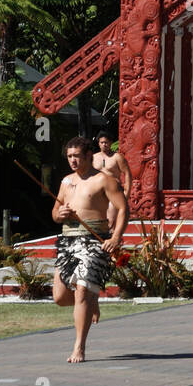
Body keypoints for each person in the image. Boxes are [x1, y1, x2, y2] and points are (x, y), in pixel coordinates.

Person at [52, 136, 127, 363]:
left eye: (76, 156)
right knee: (60, 297)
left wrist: (115, 238)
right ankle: (91, 302)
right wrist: (60, 214)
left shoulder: (104, 181)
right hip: (68, 243)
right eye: (69, 156)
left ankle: (79, 347)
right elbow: (55, 212)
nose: (72, 160)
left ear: (88, 156)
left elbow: (124, 209)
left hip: (94, 242)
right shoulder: (66, 182)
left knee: (82, 291)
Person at [93, 131, 130, 230]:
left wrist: (127, 192)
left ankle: (113, 240)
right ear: (99, 144)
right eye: (102, 142)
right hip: (97, 191)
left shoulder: (117, 157)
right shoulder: (93, 158)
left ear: (110, 143)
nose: (104, 144)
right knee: (97, 220)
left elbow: (127, 174)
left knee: (111, 220)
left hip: (113, 191)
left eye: (106, 142)